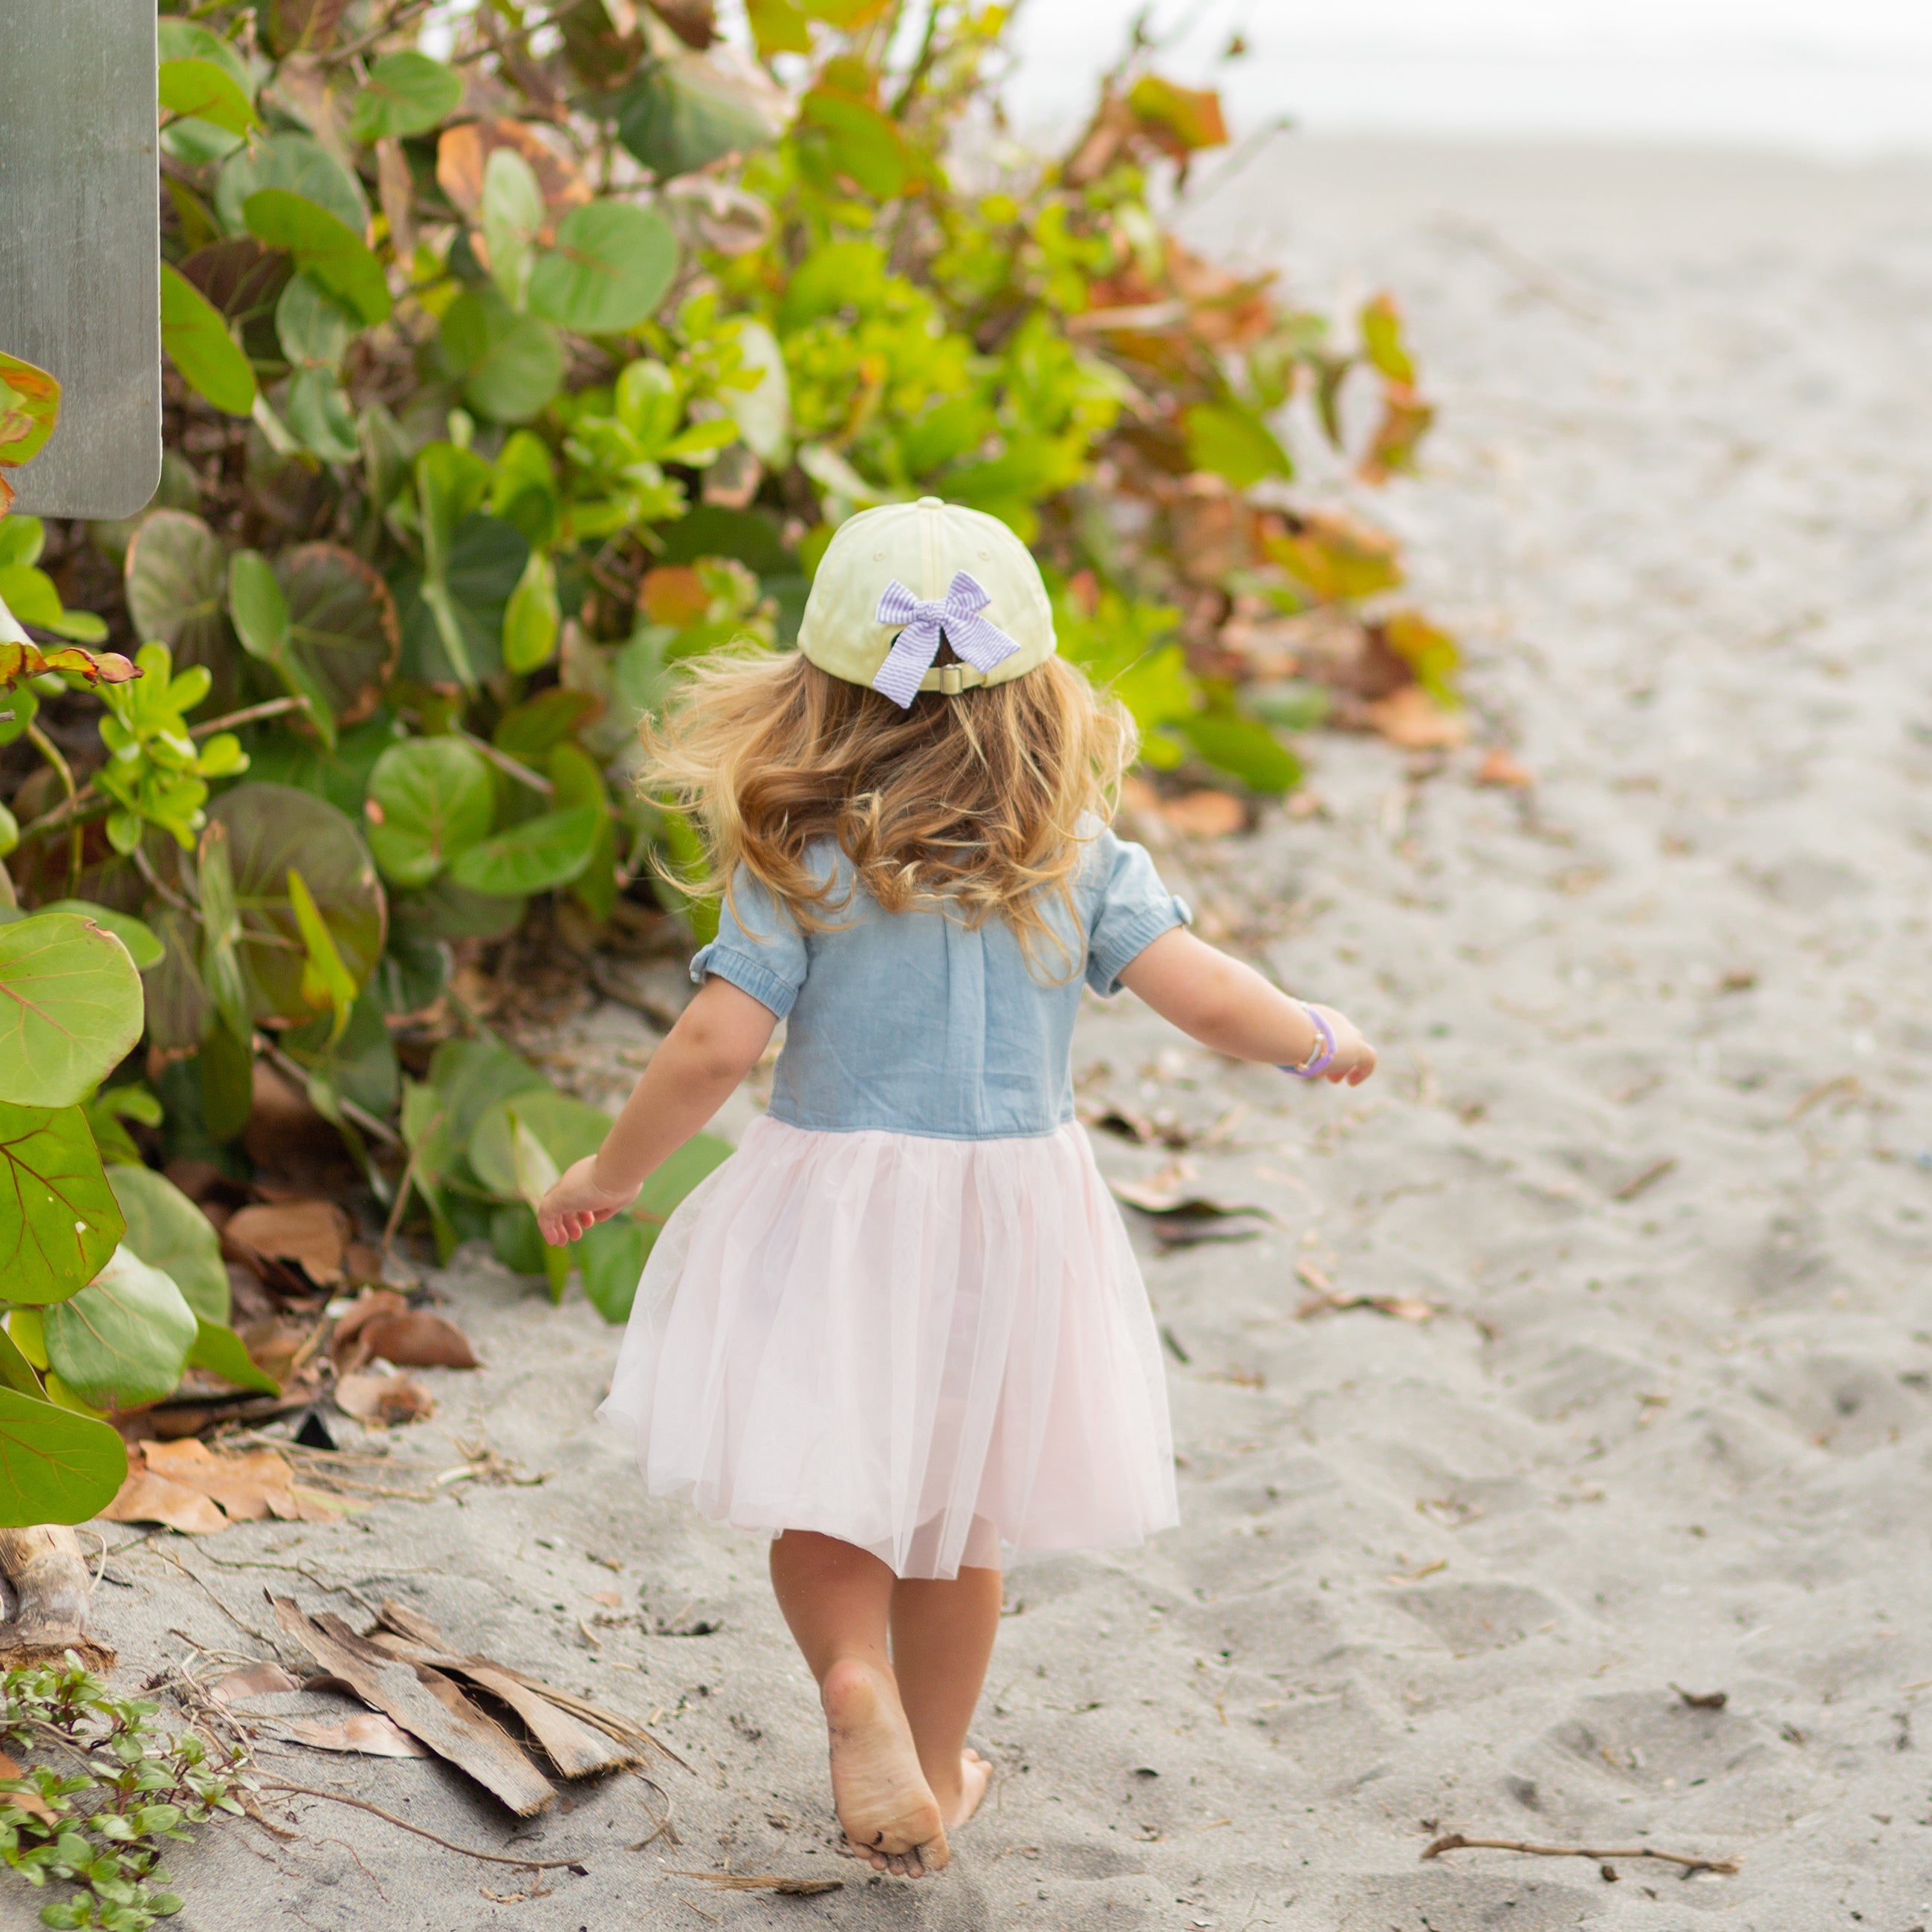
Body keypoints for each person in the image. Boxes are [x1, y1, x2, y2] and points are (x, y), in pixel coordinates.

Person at [537, 497, 1377, 1878]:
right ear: (1037, 693)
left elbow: (712, 1049)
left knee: (828, 1491)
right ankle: (932, 1767)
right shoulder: (1074, 852)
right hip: (1012, 1221)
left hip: (838, 1212)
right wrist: (1317, 1037)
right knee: (958, 1514)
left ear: (814, 693)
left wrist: (611, 1173)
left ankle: (849, 1680)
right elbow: (1208, 997)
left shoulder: (801, 856)